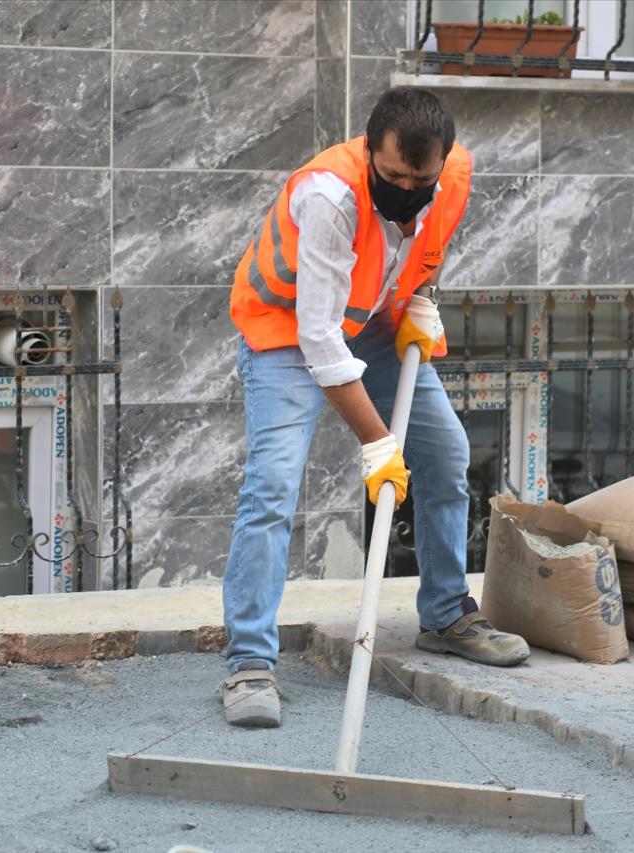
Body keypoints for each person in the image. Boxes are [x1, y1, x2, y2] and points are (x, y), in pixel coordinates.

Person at [221, 88, 530, 728]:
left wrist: (421, 299)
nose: (407, 189)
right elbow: (319, 337)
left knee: (446, 457)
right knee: (273, 487)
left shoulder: (454, 174)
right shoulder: (329, 195)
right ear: (369, 151)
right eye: (391, 176)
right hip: (285, 332)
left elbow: (423, 252)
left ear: (439, 164)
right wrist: (378, 445)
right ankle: (251, 663)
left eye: (420, 179)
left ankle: (446, 614)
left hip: (376, 326)